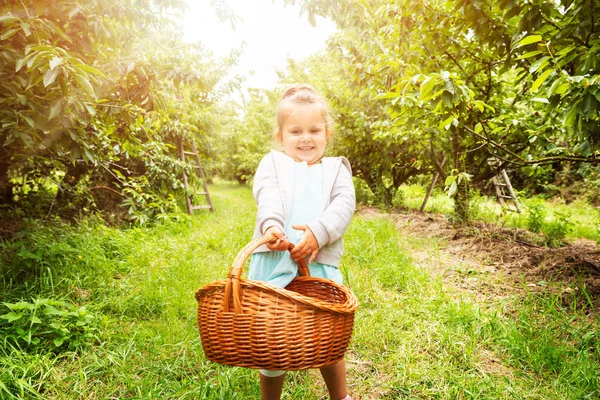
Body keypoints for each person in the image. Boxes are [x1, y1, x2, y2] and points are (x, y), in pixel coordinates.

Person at [249, 84, 356, 400]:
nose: (306, 138)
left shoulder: (336, 169)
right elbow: (267, 195)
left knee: (327, 335)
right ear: (280, 136)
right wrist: (271, 227)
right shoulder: (273, 164)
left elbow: (343, 205)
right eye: (295, 131)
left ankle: (340, 396)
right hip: (273, 263)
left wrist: (318, 232)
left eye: (314, 130)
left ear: (327, 132)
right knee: (273, 339)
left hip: (318, 266)